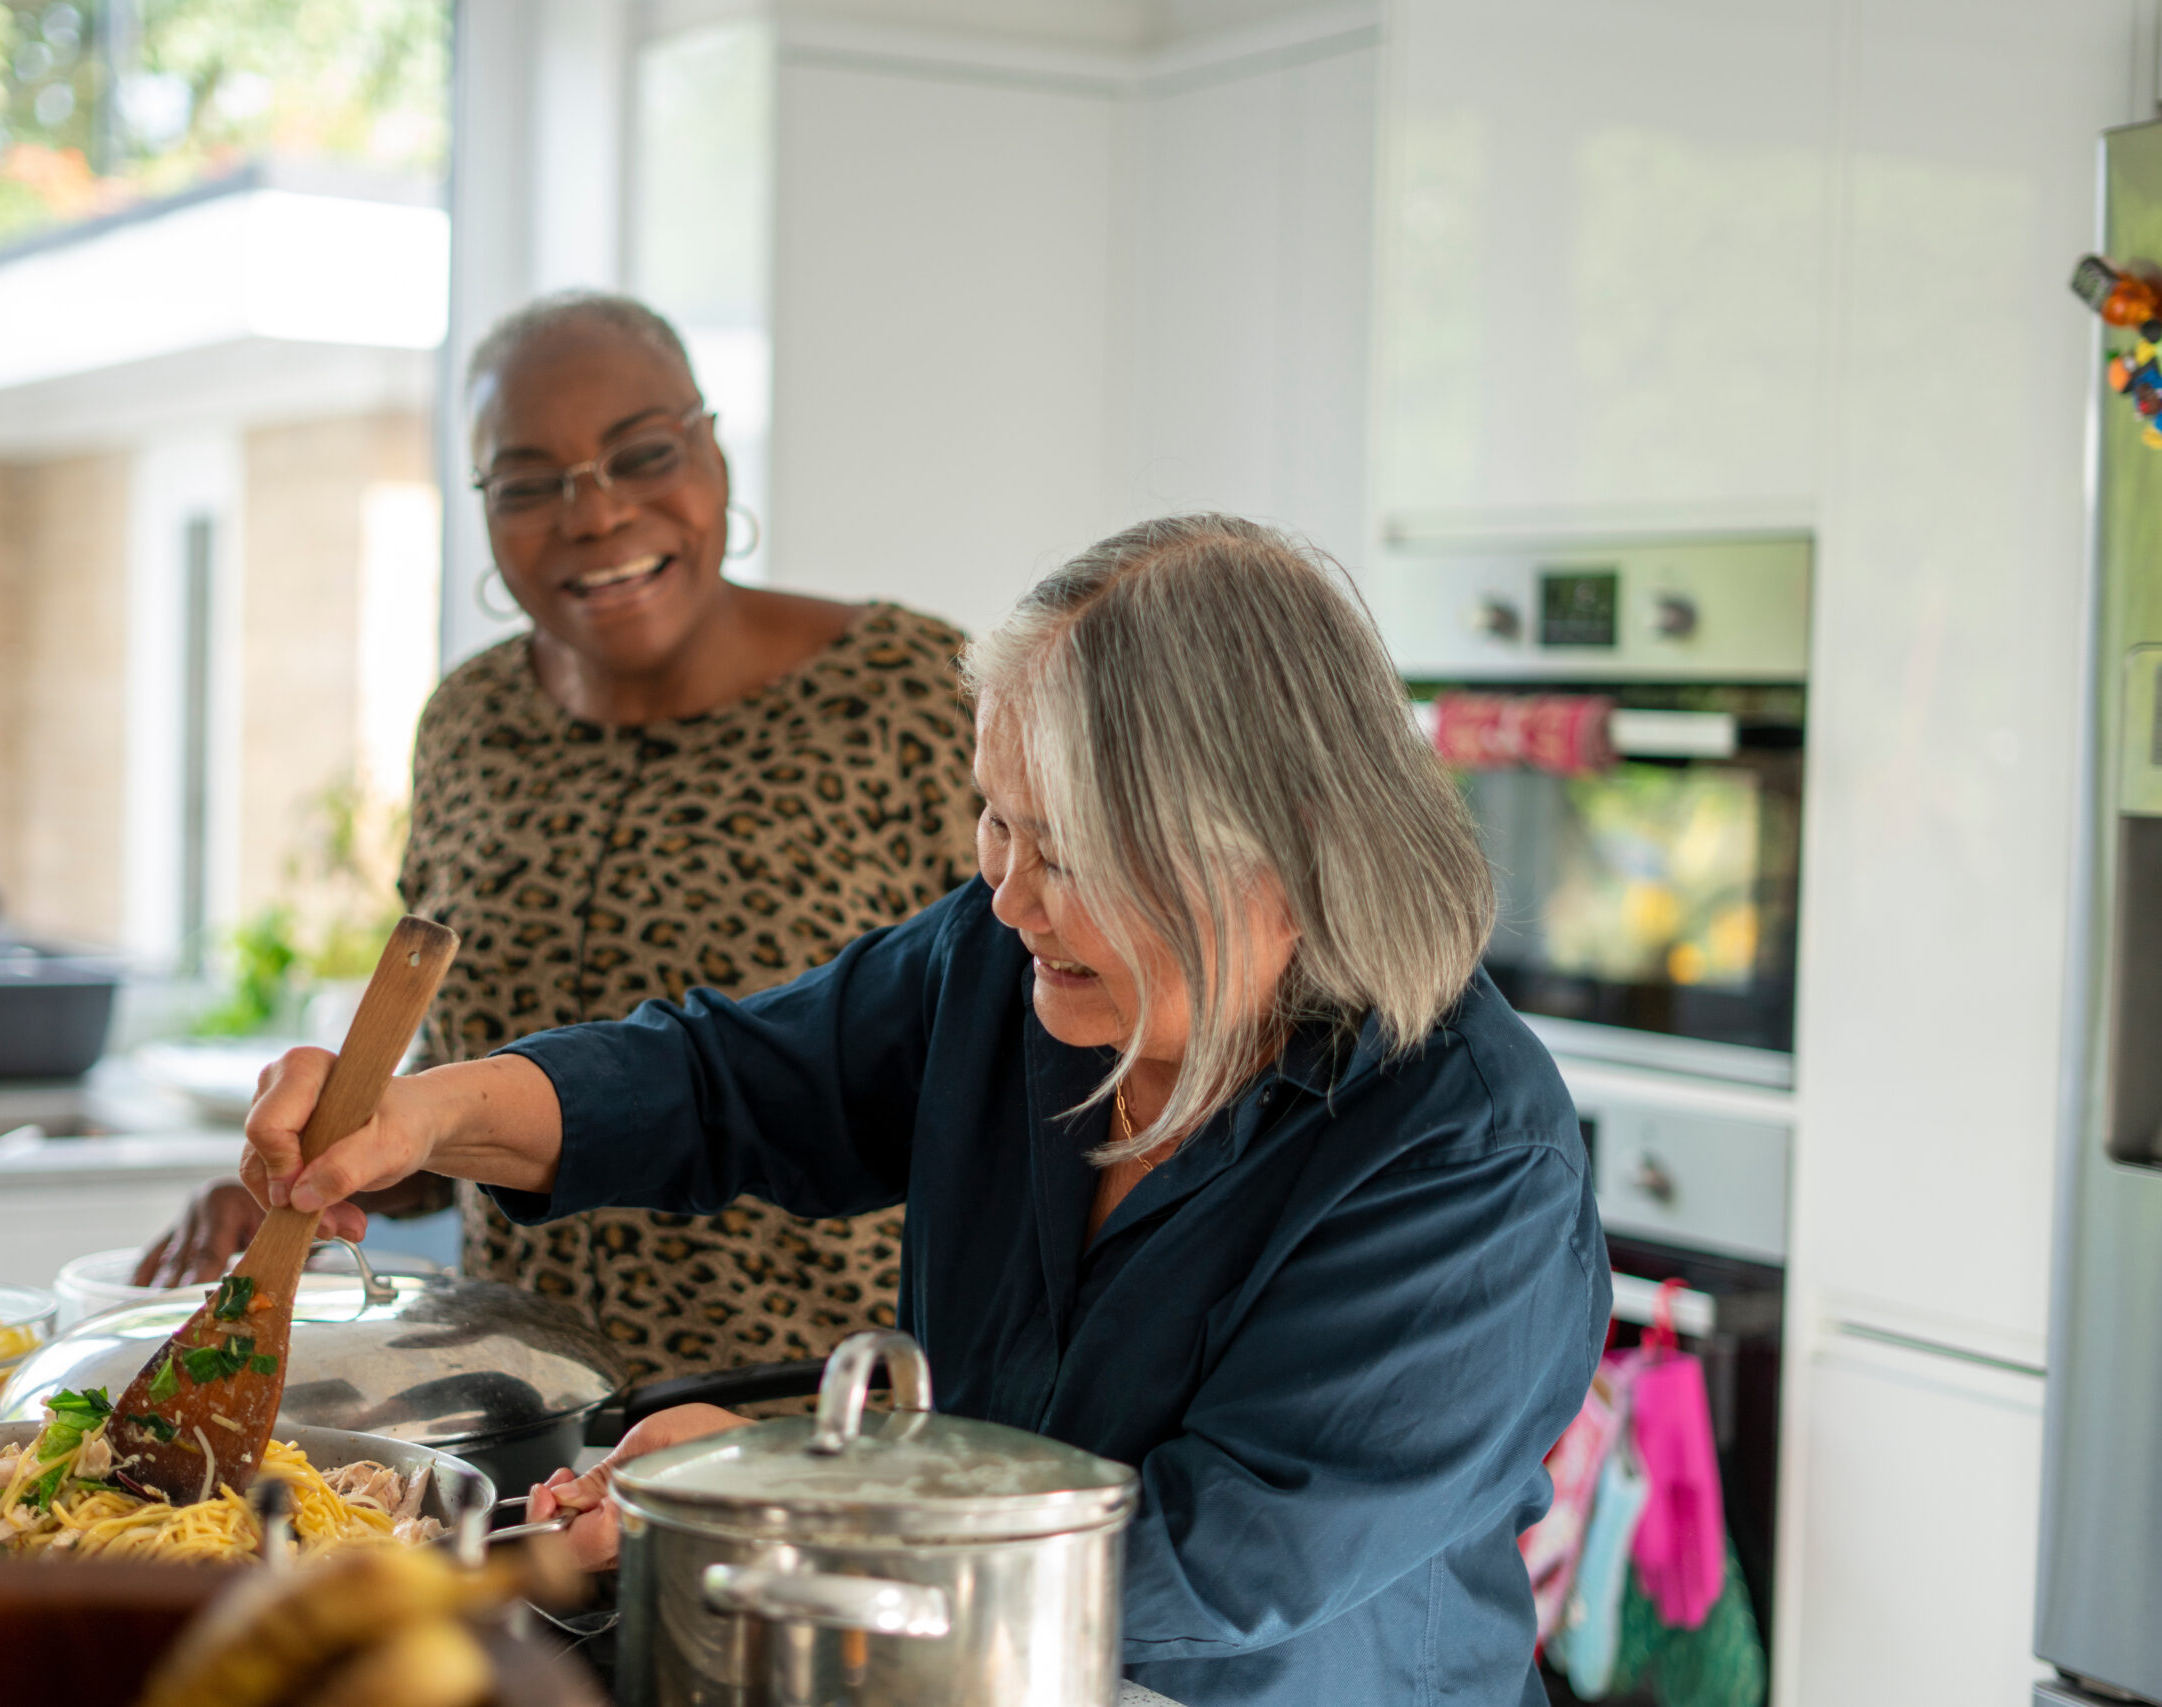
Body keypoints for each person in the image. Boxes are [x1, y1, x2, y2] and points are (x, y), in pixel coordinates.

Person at [240, 514, 1609, 1707]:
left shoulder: (1468, 1158)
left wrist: (774, 1500)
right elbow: (727, 1082)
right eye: (996, 823)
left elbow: (1210, 1558)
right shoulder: (1018, 968)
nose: (1008, 893)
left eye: (1066, 851)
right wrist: (420, 1114)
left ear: (1279, 845)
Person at [137, 292, 978, 1393]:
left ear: (713, 452)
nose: (592, 516)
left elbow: (1007, 1062)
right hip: (521, 1410)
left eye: (641, 456)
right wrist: (312, 1169)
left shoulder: (919, 694)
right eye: (530, 484)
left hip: (808, 1421)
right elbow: (451, 1116)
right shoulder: (471, 723)